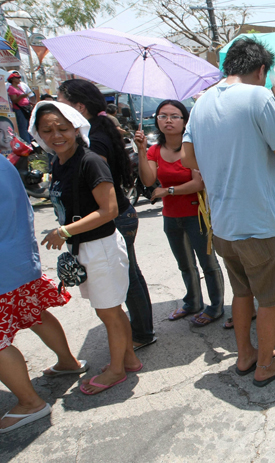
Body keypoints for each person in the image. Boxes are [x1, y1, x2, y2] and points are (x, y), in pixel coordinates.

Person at [181, 37, 275, 387]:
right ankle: (265, 365)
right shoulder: (259, 96)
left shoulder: (200, 104)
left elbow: (188, 158)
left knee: (242, 293)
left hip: (224, 227)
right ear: (260, 70)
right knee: (271, 298)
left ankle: (245, 355)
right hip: (259, 225)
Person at [32, 101, 142, 395]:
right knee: (110, 311)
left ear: (76, 127)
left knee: (108, 313)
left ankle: (117, 370)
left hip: (101, 247)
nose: (56, 135)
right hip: (85, 247)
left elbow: (109, 209)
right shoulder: (58, 162)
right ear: (38, 133)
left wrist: (65, 230)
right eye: (47, 130)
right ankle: (129, 358)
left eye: (62, 128)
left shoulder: (89, 161)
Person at [57, 79, 156, 350]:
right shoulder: (100, 130)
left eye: (61, 102)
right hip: (123, 214)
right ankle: (141, 330)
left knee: (128, 277)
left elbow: (101, 189)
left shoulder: (94, 143)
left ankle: (142, 333)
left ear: (79, 107)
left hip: (116, 218)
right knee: (130, 274)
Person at [0, 154, 86, 433]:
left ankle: (29, 402)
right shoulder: (3, 162)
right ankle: (68, 361)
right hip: (19, 257)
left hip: (4, 267)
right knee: (34, 314)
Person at [134, 100, 225, 327]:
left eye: (175, 116)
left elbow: (198, 184)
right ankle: (192, 302)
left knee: (208, 264)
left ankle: (215, 307)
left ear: (185, 121)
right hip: (171, 217)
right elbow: (147, 180)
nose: (168, 120)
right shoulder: (155, 150)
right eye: (163, 116)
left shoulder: (192, 147)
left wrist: (168, 190)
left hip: (197, 216)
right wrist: (142, 150)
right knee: (185, 265)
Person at [7, 71, 33, 144]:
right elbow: (14, 100)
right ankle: (26, 143)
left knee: (28, 126)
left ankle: (31, 141)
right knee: (23, 127)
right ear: (12, 80)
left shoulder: (20, 87)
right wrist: (21, 96)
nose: (19, 79)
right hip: (19, 109)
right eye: (17, 78)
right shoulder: (11, 88)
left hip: (26, 108)